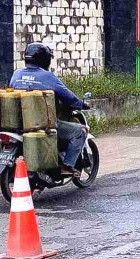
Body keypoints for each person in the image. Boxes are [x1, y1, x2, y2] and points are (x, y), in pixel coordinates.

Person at [9, 43, 90, 177]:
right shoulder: (47, 76)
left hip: (18, 123)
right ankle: (67, 165)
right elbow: (69, 97)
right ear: (45, 59)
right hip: (44, 123)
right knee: (80, 131)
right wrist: (82, 104)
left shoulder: (16, 74)